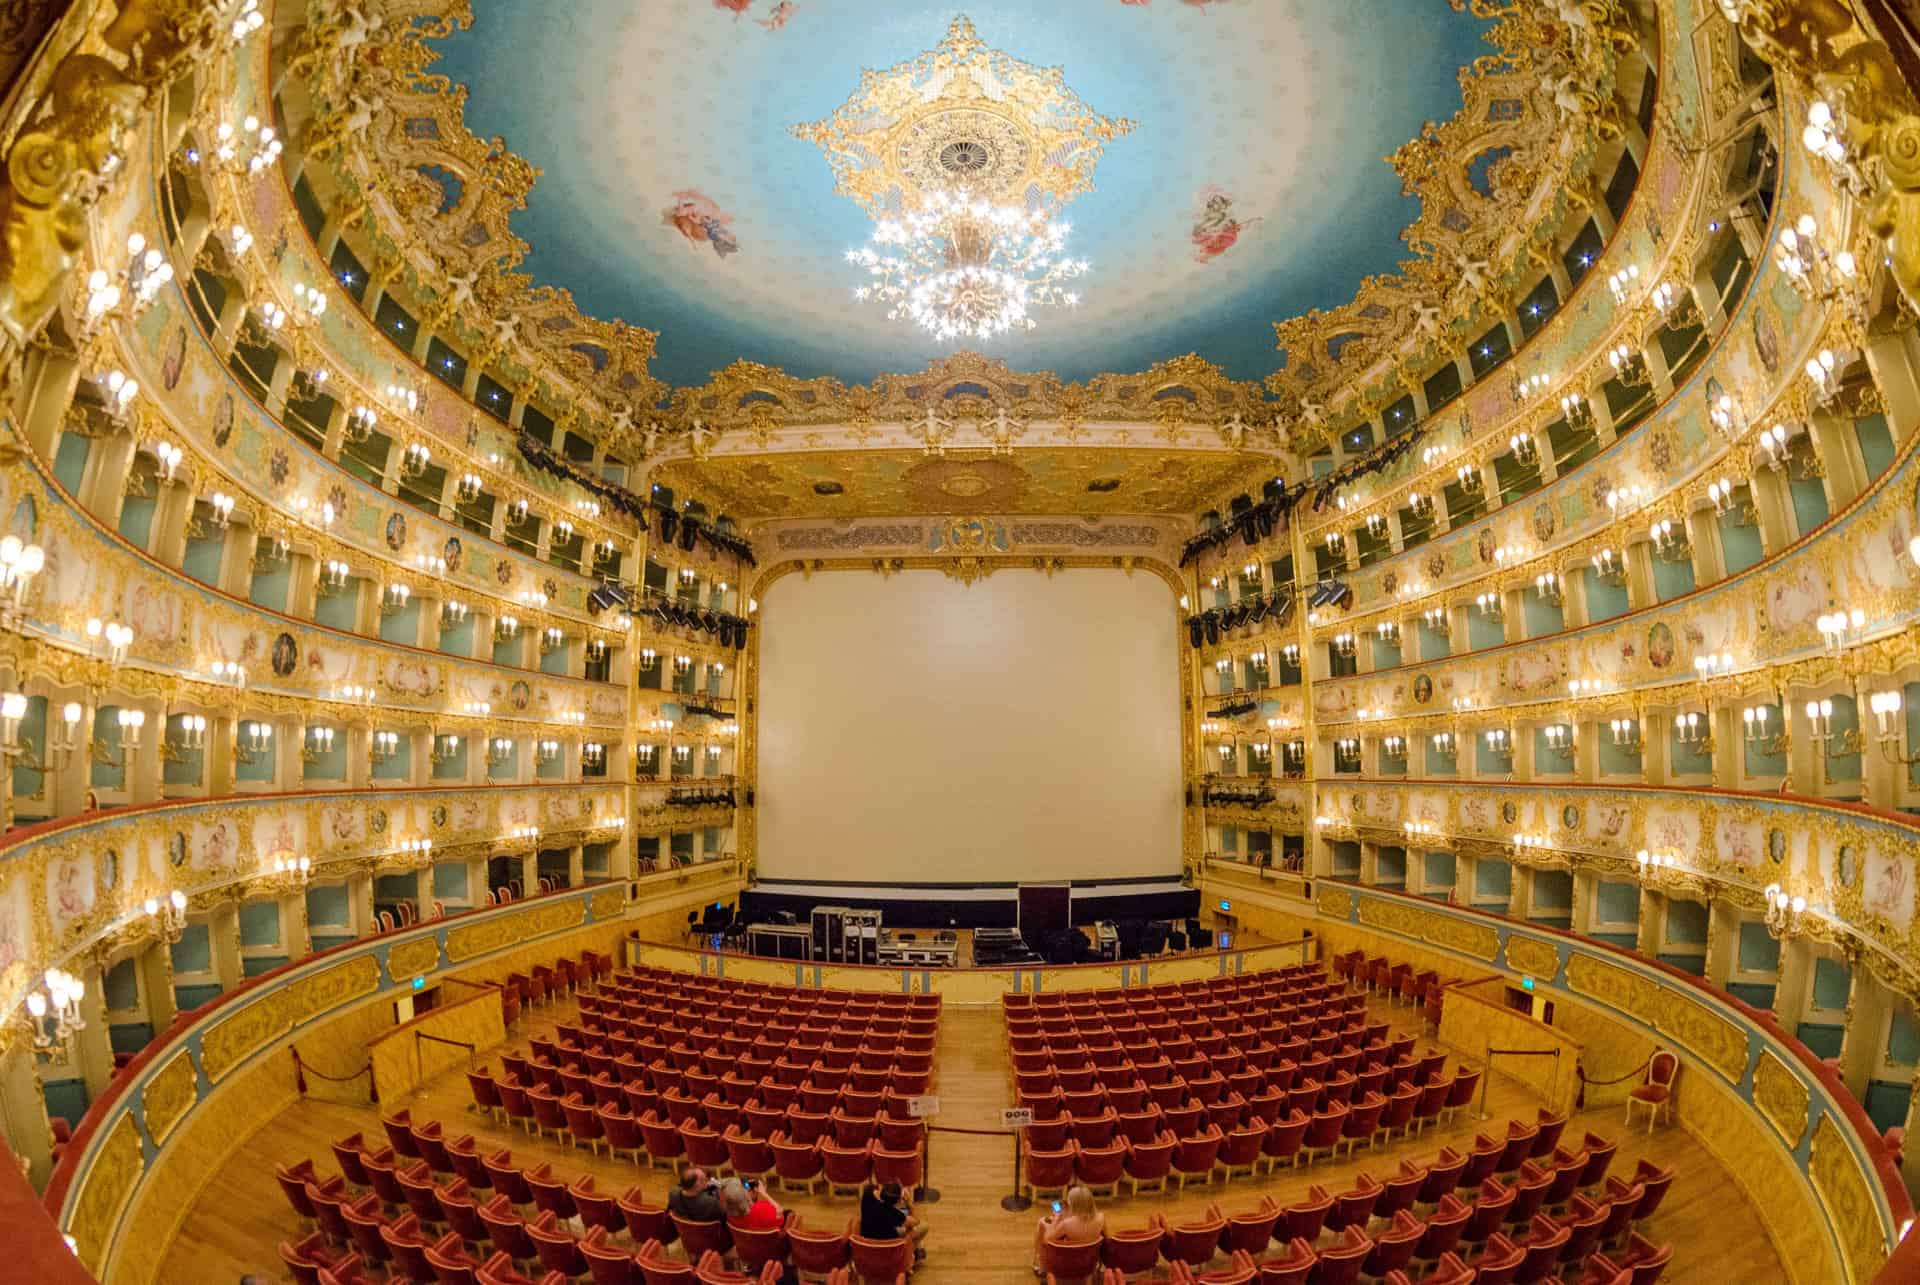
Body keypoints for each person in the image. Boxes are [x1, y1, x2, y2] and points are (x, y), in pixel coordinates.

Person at [1032, 1185, 1105, 1273]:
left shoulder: (1066, 1224)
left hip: (1069, 1259)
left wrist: (1057, 1217)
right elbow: (1106, 1238)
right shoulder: (1101, 1218)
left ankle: (1040, 1264)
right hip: (1089, 1260)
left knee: (1042, 1223)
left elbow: (1047, 1239)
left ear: (1073, 1204)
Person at [859, 1180, 927, 1253]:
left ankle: (917, 1250)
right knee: (923, 1226)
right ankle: (910, 1254)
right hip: (889, 1246)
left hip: (867, 1242)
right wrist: (909, 1203)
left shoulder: (868, 1193)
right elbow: (915, 1221)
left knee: (904, 1218)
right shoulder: (893, 1213)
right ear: (897, 1201)